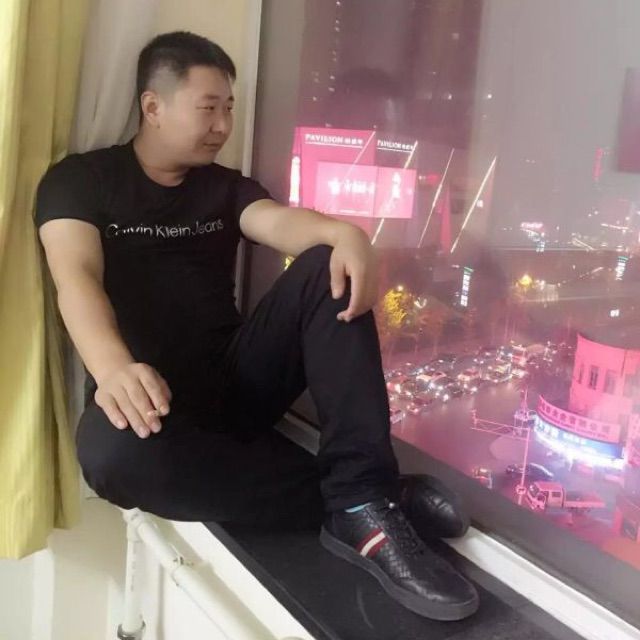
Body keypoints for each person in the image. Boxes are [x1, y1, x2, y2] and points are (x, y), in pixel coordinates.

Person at [35, 31, 478, 621]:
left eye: (229, 108)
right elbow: (75, 277)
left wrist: (343, 233)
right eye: (208, 108)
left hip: (237, 379)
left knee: (325, 266)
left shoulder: (225, 186)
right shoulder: (82, 180)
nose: (223, 124)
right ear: (153, 106)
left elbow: (277, 222)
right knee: (111, 460)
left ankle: (361, 496)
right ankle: (370, 501)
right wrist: (112, 367)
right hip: (149, 402)